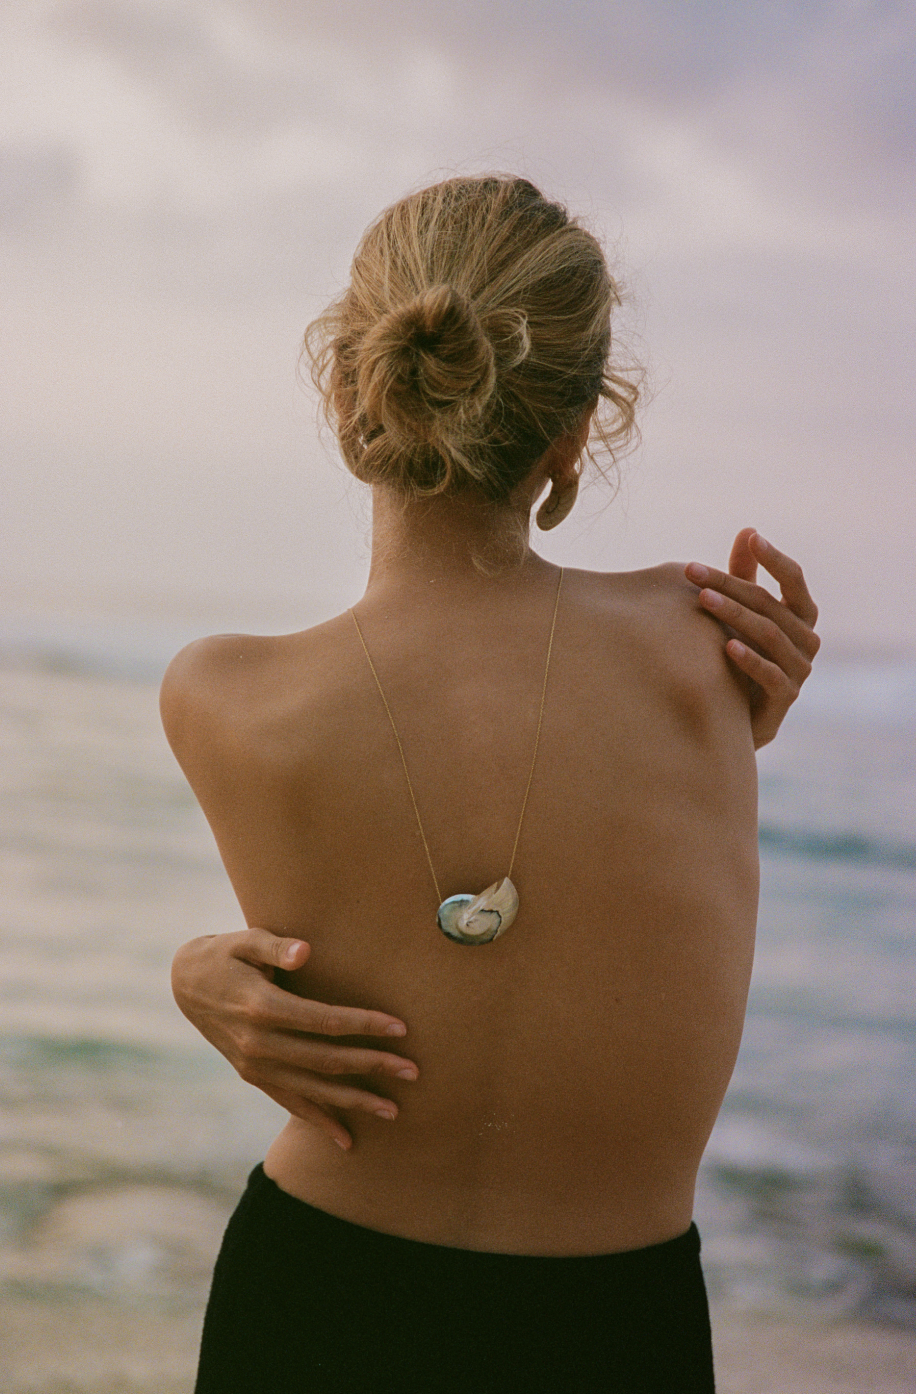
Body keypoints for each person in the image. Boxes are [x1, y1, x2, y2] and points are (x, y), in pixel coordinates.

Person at [161, 175, 819, 1393]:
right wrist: (736, 729)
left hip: (311, 1293)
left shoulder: (224, 695)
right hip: (612, 1320)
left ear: (348, 385)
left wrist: (183, 968)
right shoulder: (708, 641)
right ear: (579, 430)